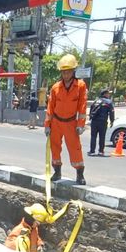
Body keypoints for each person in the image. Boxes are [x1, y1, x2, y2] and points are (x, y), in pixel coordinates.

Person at [45, 54, 88, 185]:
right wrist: (47, 125)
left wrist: (81, 124)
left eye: (68, 71)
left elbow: (82, 106)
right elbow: (50, 107)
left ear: (73, 71)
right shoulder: (55, 87)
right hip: (56, 122)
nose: (66, 74)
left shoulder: (80, 86)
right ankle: (57, 172)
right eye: (63, 72)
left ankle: (79, 174)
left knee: (75, 148)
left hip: (71, 122)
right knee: (55, 148)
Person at [88, 89, 115, 157]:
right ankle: (101, 151)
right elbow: (112, 112)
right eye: (108, 93)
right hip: (102, 122)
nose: (109, 95)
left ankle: (92, 151)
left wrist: (90, 118)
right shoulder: (108, 102)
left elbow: (91, 110)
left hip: (94, 121)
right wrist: (112, 121)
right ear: (105, 94)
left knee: (93, 136)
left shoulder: (96, 101)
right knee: (102, 137)